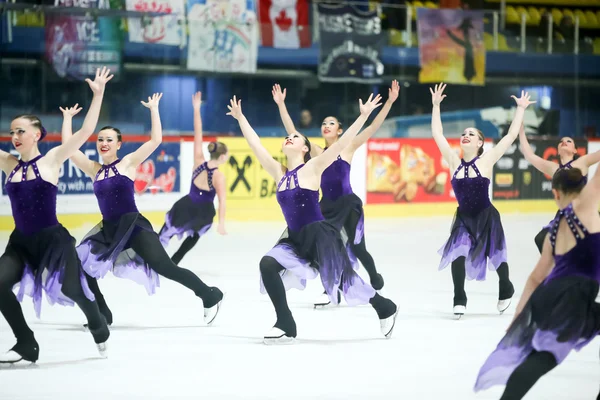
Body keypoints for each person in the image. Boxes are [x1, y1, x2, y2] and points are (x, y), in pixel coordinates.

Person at [226, 94, 398, 344]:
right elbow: (256, 146)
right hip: (294, 238)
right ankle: (285, 322)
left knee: (345, 281)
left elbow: (341, 145)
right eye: (288, 136)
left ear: (305, 148)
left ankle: (385, 307)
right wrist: (241, 118)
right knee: (267, 265)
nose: (289, 137)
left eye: (295, 137)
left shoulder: (313, 167)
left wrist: (363, 115)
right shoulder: (279, 173)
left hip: (319, 236)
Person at [61, 92, 223, 329]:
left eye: (109, 140)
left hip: (134, 226)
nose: (104, 143)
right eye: (100, 140)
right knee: (79, 263)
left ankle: (209, 294)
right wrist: (67, 119)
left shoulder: (127, 163)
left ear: (118, 144)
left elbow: (155, 140)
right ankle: (103, 312)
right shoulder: (94, 170)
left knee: (165, 267)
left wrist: (154, 109)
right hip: (109, 230)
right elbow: (69, 148)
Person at [0, 67, 113, 363]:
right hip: (20, 242)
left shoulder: (52, 159)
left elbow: (86, 132)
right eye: (11, 132)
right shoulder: (8, 164)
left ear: (37, 134)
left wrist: (98, 94)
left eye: (20, 131)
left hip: (53, 240)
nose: (14, 136)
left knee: (73, 289)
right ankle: (26, 342)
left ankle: (98, 322)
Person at [474, 167, 600, 399]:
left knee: (542, 356)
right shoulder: (584, 208)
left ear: (555, 193)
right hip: (571, 298)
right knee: (546, 357)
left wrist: (518, 317)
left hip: (552, 294)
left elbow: (536, 277)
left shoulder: (553, 231)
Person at [271, 81, 399, 307]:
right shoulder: (317, 153)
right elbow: (293, 132)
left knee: (358, 248)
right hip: (326, 207)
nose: (326, 125)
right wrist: (281, 105)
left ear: (340, 130)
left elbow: (371, 128)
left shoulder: (347, 147)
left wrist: (389, 102)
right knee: (325, 246)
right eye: (323, 123)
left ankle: (375, 277)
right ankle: (330, 289)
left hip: (347, 205)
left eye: (332, 123)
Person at [432, 83, 535, 317]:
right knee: (457, 252)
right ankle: (459, 296)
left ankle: (506, 286)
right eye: (463, 133)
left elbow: (510, 136)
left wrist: (520, 109)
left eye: (472, 134)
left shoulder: (486, 161)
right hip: (463, 218)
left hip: (487, 216)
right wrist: (436, 106)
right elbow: (437, 134)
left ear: (480, 143)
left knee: (497, 256)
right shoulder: (453, 162)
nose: (466, 136)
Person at [158, 92, 229, 264]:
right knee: (194, 236)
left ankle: (152, 255)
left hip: (187, 204)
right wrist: (221, 223)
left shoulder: (198, 161)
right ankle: (174, 261)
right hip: (203, 212)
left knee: (166, 231)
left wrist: (196, 109)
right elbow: (223, 201)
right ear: (222, 157)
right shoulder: (219, 176)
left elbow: (198, 133)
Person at [519, 125, 600, 253]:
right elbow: (529, 155)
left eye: (569, 141)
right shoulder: (553, 169)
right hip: (565, 215)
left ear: (574, 150)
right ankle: (558, 267)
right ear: (557, 150)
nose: (564, 142)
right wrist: (521, 129)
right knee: (541, 239)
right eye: (561, 141)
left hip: (584, 212)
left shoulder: (582, 162)